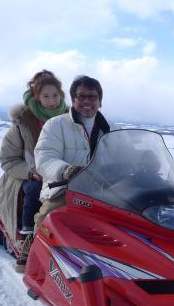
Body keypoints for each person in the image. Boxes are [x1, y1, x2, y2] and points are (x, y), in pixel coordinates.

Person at [0, 70, 68, 252]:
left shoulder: (69, 119)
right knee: (35, 190)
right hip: (29, 175)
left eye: (55, 95)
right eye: (46, 96)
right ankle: (27, 237)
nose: (51, 101)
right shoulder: (23, 123)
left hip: (62, 173)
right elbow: (7, 159)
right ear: (37, 97)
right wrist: (30, 173)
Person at [34, 75, 116, 234]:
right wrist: (65, 170)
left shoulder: (112, 129)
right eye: (81, 96)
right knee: (47, 220)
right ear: (73, 100)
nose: (87, 101)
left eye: (92, 97)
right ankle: (33, 246)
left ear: (100, 102)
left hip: (104, 191)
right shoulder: (56, 125)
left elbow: (124, 154)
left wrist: (144, 160)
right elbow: (44, 157)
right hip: (63, 189)